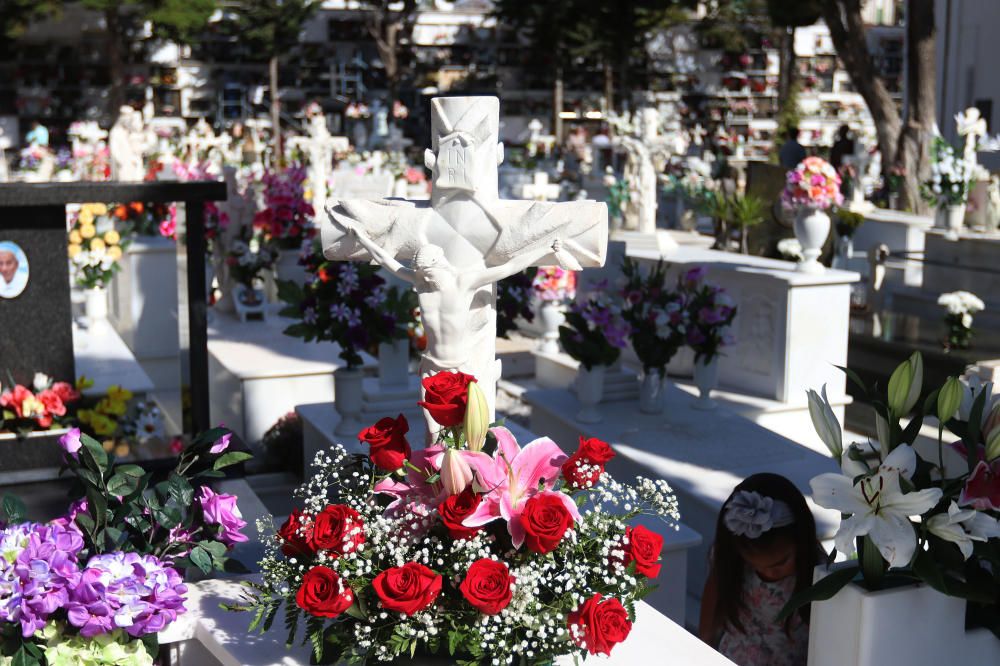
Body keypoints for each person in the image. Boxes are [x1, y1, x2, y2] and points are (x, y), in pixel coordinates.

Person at [699, 473, 824, 666]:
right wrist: (702, 645)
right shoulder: (731, 560)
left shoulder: (817, 572)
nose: (768, 573)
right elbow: (714, 595)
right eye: (755, 565)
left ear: (801, 541)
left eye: (780, 563)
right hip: (734, 657)